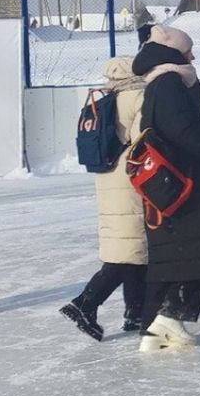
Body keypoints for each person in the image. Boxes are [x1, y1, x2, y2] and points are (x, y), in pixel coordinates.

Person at [132, 25, 200, 351]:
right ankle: (166, 323)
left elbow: (180, 129)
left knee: (173, 258)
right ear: (173, 53)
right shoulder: (169, 83)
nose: (192, 55)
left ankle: (153, 330)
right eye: (187, 51)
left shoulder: (163, 82)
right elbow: (182, 136)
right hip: (182, 184)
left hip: (173, 182)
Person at [59, 46, 149, 341]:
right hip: (129, 178)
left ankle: (135, 312)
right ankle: (86, 302)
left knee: (132, 248)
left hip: (107, 177)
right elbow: (141, 139)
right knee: (128, 250)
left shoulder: (107, 97)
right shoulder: (138, 96)